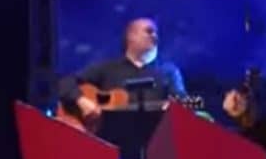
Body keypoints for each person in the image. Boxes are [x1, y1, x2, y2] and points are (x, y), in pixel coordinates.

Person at [57, 17, 187, 132]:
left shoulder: (169, 71)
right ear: (131, 36)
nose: (154, 35)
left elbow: (180, 99)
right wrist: (82, 101)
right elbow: (64, 83)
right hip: (109, 140)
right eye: (149, 31)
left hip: (155, 142)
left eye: (156, 32)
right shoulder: (107, 68)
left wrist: (175, 107)